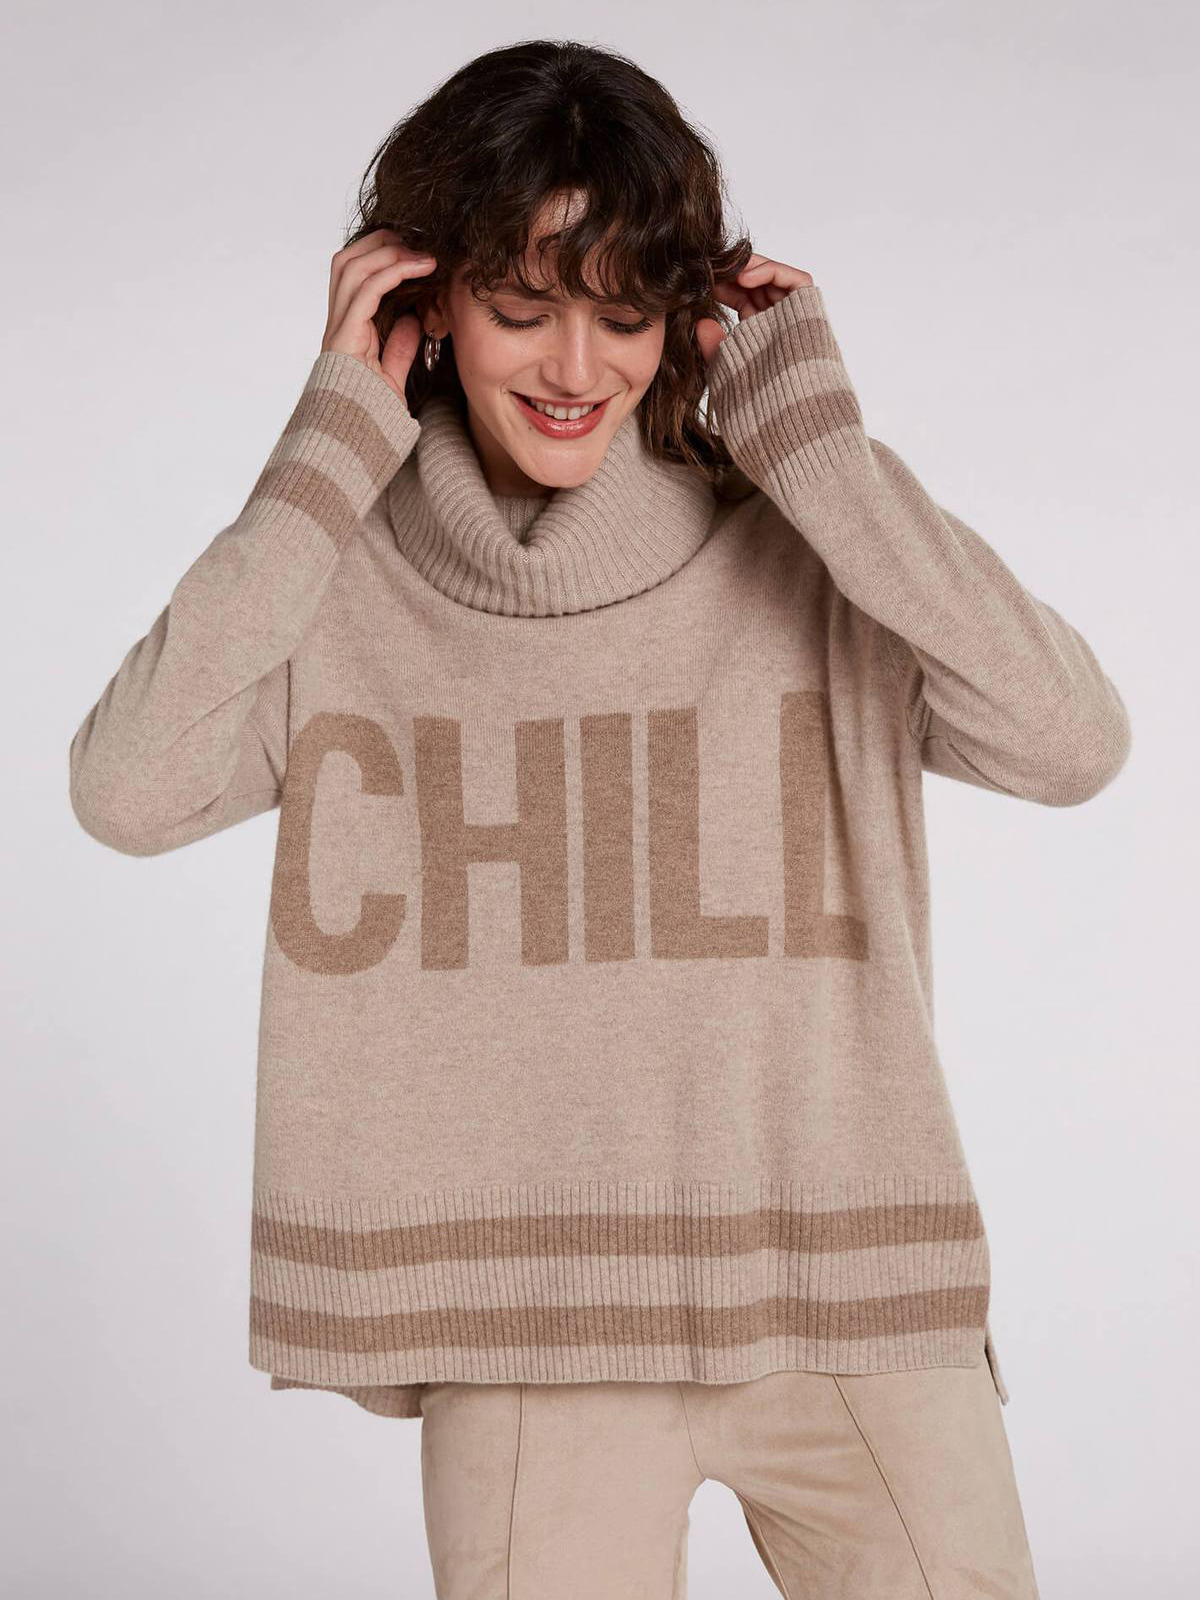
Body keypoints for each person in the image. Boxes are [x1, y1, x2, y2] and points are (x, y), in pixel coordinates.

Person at [68, 37, 1129, 1600]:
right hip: (525, 1324)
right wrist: (326, 445)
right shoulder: (332, 579)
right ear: (426, 301)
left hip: (853, 1296)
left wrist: (824, 449)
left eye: (625, 314)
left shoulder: (806, 548)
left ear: (680, 322)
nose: (577, 366)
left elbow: (1070, 742)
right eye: (523, 306)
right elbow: (125, 789)